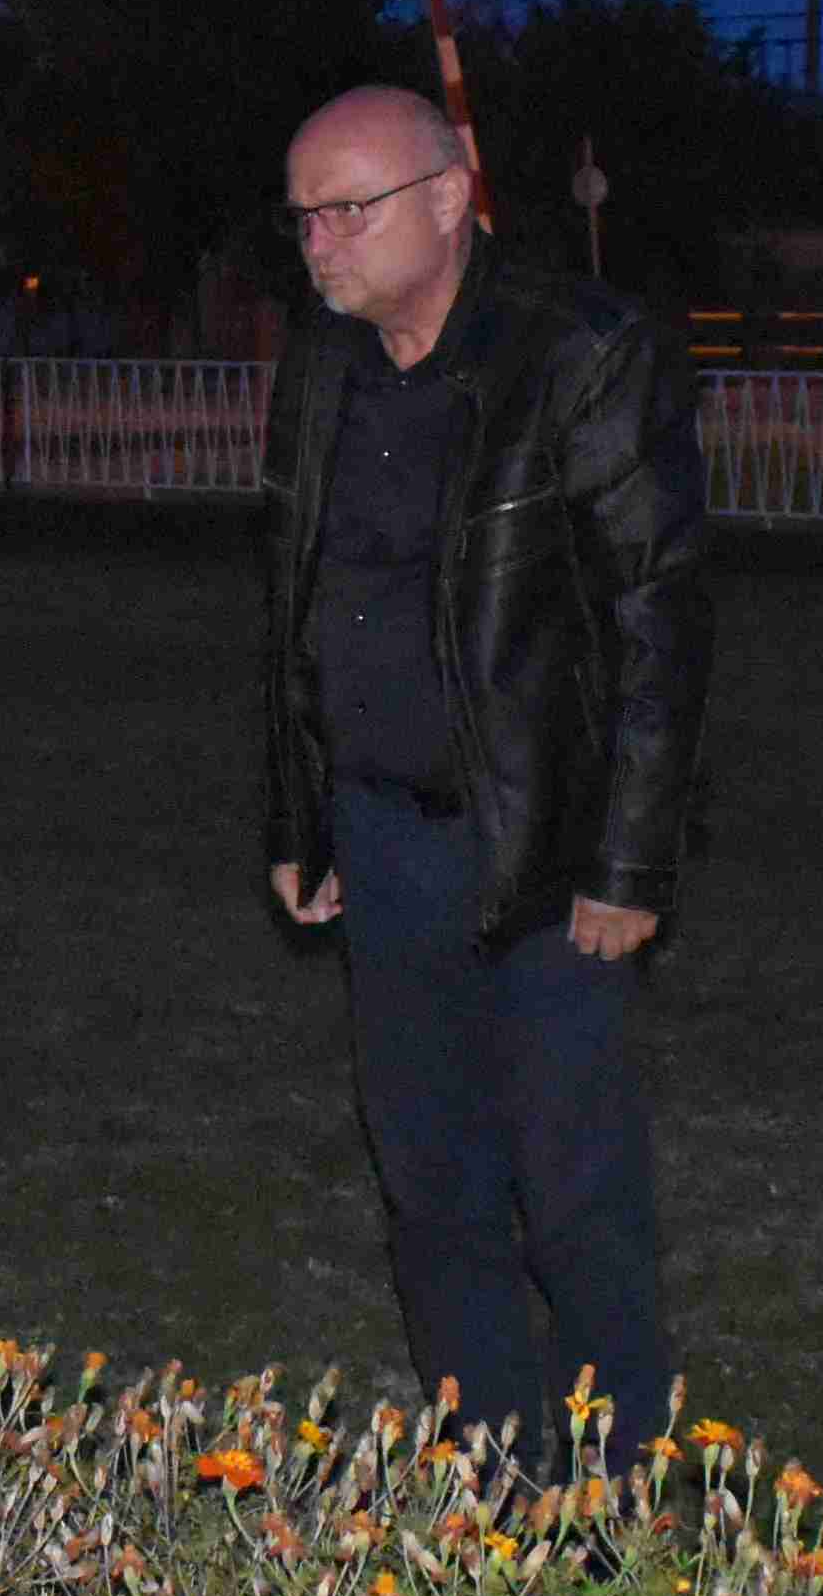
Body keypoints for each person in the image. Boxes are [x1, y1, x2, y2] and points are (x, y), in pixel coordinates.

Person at [259, 82, 709, 1454]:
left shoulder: (582, 351)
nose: (321, 243)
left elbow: (656, 615)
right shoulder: (324, 366)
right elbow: (298, 601)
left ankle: (621, 1498)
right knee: (431, 1184)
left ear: (451, 199)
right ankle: (492, 1476)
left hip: (546, 848)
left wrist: (629, 861)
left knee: (573, 1193)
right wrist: (300, 814)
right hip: (383, 838)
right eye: (303, 217)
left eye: (350, 209)